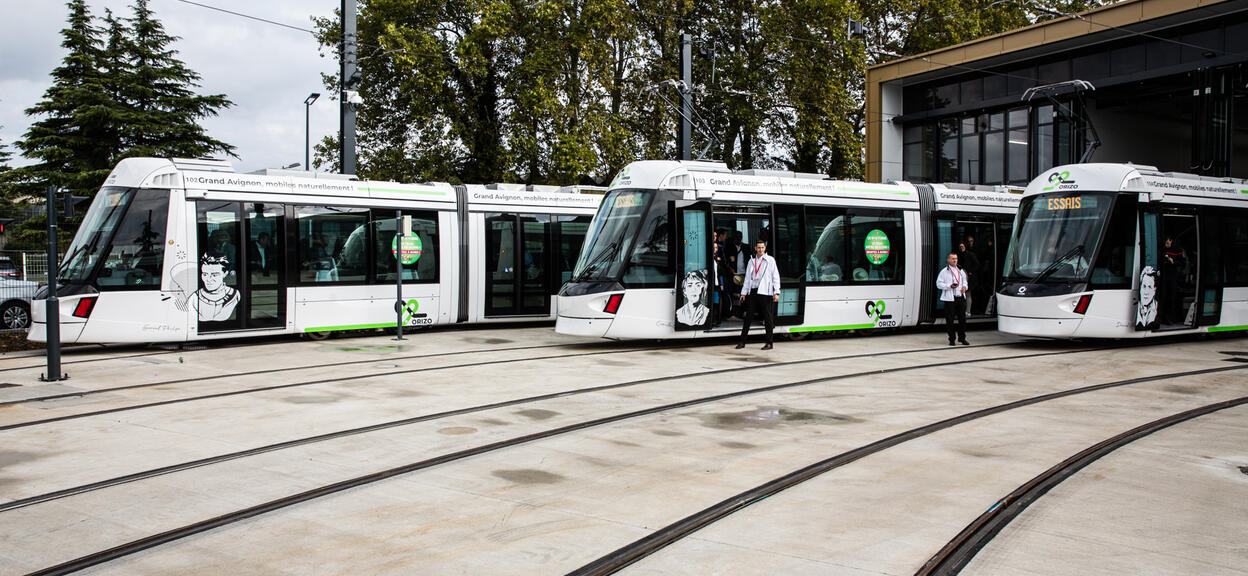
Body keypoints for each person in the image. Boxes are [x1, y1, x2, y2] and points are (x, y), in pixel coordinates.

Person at [736, 240, 781, 350]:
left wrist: (776, 292)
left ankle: (769, 343)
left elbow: (775, 276)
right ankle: (742, 342)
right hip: (753, 291)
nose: (760, 250)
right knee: (748, 317)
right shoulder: (752, 261)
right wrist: (743, 292)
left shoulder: (770, 260)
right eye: (758, 248)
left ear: (765, 248)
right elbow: (747, 278)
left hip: (765, 292)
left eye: (762, 247)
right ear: (755, 248)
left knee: (768, 318)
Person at [193, 252, 241, 322]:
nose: (209, 279)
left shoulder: (234, 294)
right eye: (205, 274)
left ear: (225, 274)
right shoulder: (194, 297)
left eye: (214, 275)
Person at [936, 251, 970, 345]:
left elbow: (965, 282)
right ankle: (952, 339)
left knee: (962, 319)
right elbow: (938, 284)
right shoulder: (944, 271)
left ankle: (962, 338)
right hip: (950, 299)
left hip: (960, 297)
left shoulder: (961, 270)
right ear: (948, 260)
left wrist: (964, 287)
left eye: (956, 258)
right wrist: (949, 286)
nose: (955, 260)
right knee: (950, 320)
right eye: (953, 259)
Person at [1161, 236, 1187, 324]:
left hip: (1173, 277)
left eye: (1168, 243)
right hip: (1163, 276)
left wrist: (1173, 262)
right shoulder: (1162, 249)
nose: (1166, 245)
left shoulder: (1177, 250)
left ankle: (1170, 318)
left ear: (1172, 241)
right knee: (1163, 296)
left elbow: (1183, 263)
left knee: (1171, 297)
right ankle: (1163, 317)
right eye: (1165, 243)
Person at [1136, 265, 1159, 330]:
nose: (1146, 292)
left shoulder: (1157, 309)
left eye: (1149, 287)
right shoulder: (1135, 306)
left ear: (1154, 290)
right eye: (1144, 286)